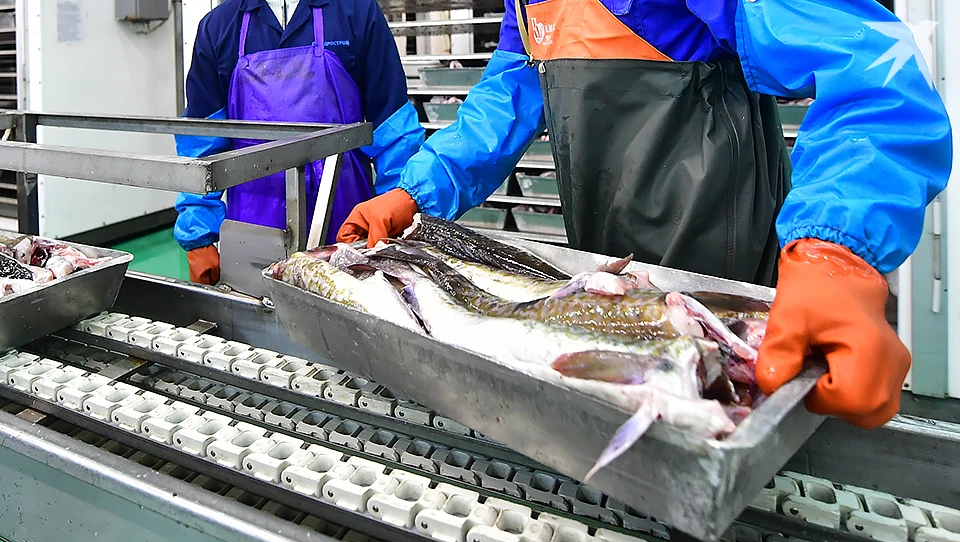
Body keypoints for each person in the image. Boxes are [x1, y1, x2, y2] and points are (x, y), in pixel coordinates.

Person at [337, 0, 953, 429]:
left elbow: (870, 69)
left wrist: (835, 254)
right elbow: (509, 93)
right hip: (608, 276)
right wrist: (418, 191)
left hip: (720, 269)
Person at [174, 0, 424, 285]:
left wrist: (399, 209)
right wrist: (199, 234)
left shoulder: (356, 12)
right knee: (256, 317)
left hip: (347, 221)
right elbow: (201, 143)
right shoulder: (220, 27)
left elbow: (393, 127)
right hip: (253, 225)